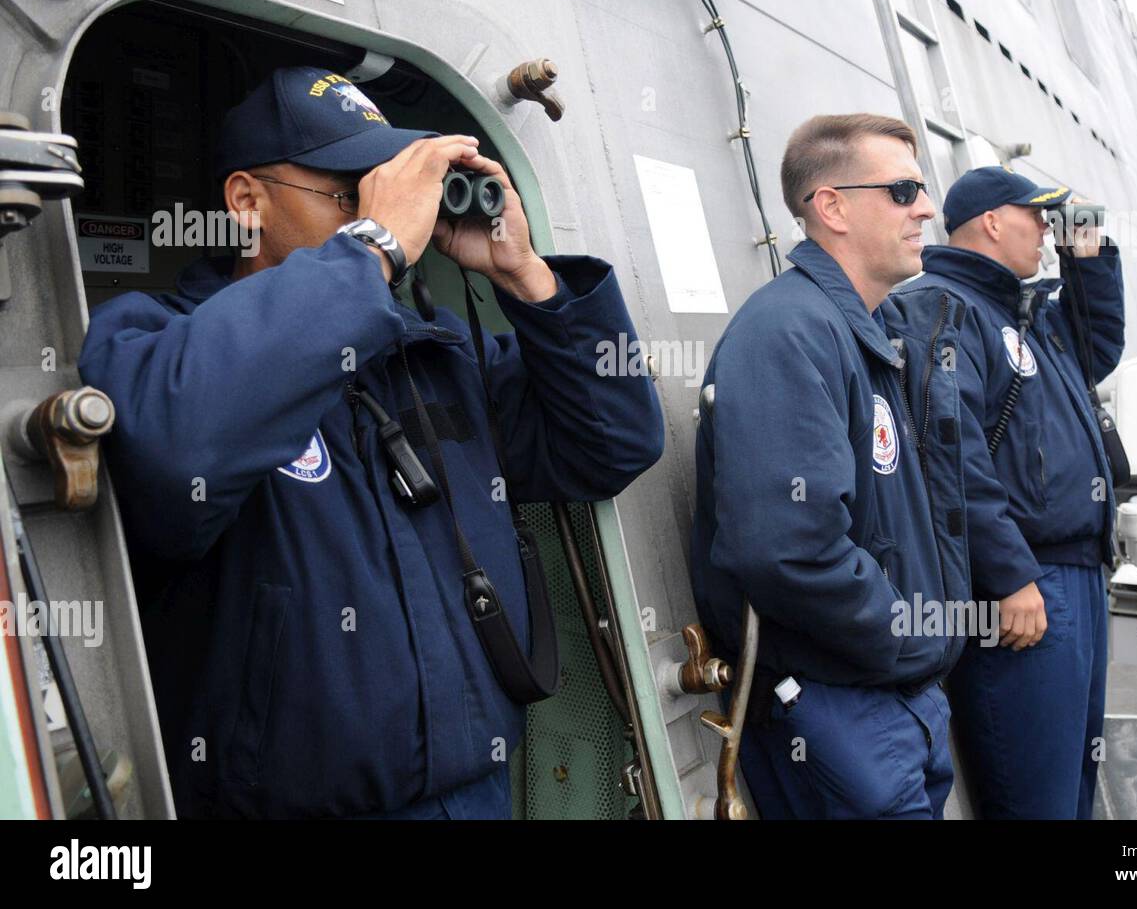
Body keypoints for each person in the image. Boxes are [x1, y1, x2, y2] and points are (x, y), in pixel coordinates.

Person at [78, 65, 664, 819]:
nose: (389, 210)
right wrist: (373, 246)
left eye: (391, 185)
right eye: (351, 191)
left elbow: (612, 444)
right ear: (246, 201)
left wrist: (526, 276)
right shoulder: (153, 344)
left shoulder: (435, 356)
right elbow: (172, 455)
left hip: (477, 795)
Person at [691, 113, 972, 819]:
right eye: (903, 189)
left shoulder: (862, 331)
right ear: (833, 206)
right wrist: (910, 634)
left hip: (891, 701)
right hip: (837, 709)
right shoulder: (787, 333)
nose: (927, 208)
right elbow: (788, 548)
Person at [904, 166, 1124, 819]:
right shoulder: (943, 306)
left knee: (1074, 787)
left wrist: (1088, 251)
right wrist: (1008, 574)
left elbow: (1098, 346)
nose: (1046, 232)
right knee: (1038, 800)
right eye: (1038, 217)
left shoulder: (1026, 311)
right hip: (1026, 587)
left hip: (1077, 576)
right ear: (994, 222)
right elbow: (949, 451)